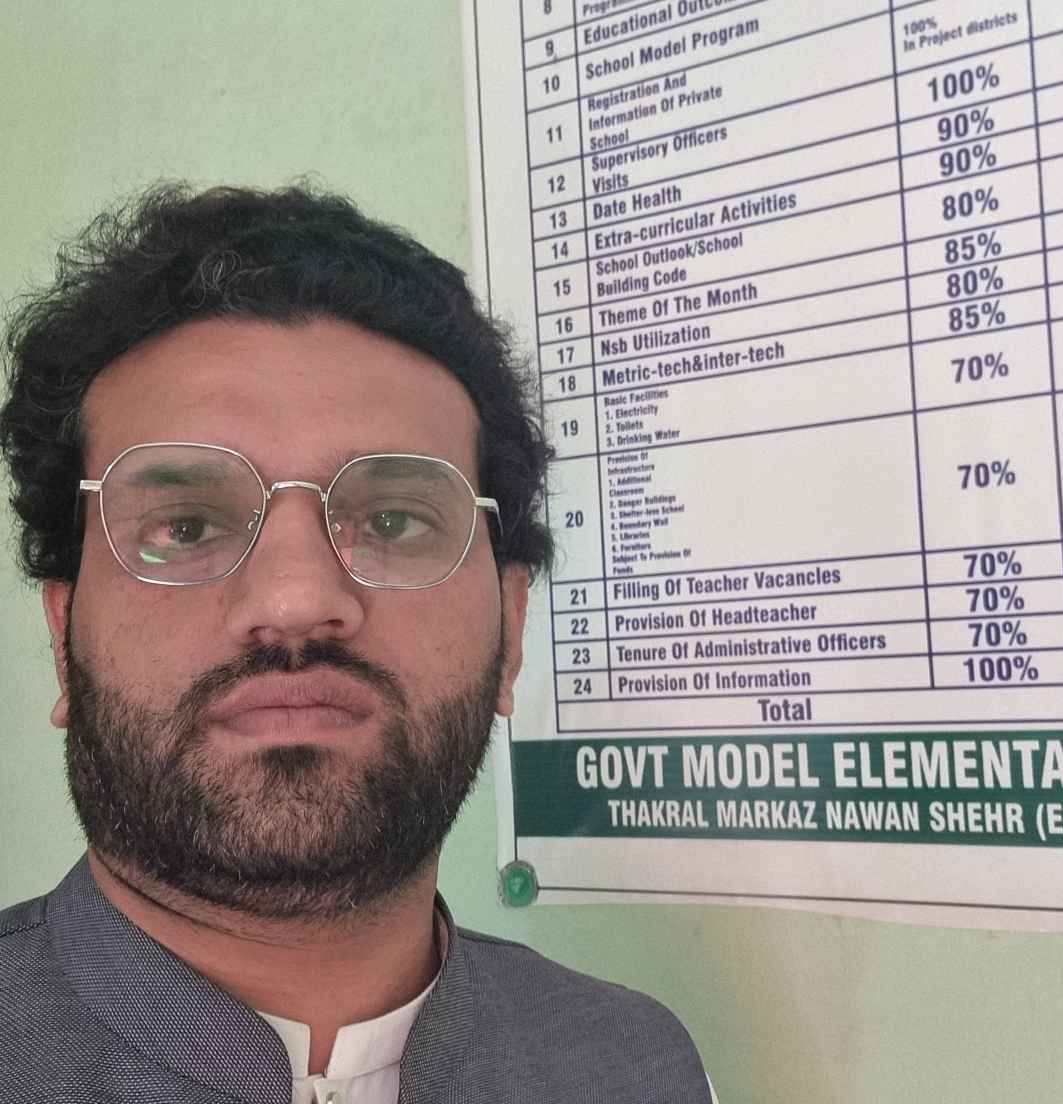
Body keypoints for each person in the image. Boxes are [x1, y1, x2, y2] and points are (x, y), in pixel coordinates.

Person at [0, 183, 715, 1103]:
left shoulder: (635, 1066)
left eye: (393, 520)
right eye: (185, 526)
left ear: (511, 630)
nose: (298, 600)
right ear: (63, 634)